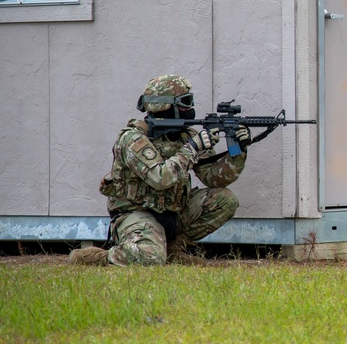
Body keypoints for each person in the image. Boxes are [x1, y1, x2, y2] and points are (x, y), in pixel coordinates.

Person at [68, 74, 249, 266]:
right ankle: (96, 257)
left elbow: (214, 179)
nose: (191, 108)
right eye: (185, 102)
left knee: (225, 200)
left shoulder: (185, 134)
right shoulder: (132, 139)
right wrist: (192, 148)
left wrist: (238, 151)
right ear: (166, 105)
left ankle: (173, 250)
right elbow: (160, 178)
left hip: (174, 211)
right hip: (137, 212)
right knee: (149, 258)